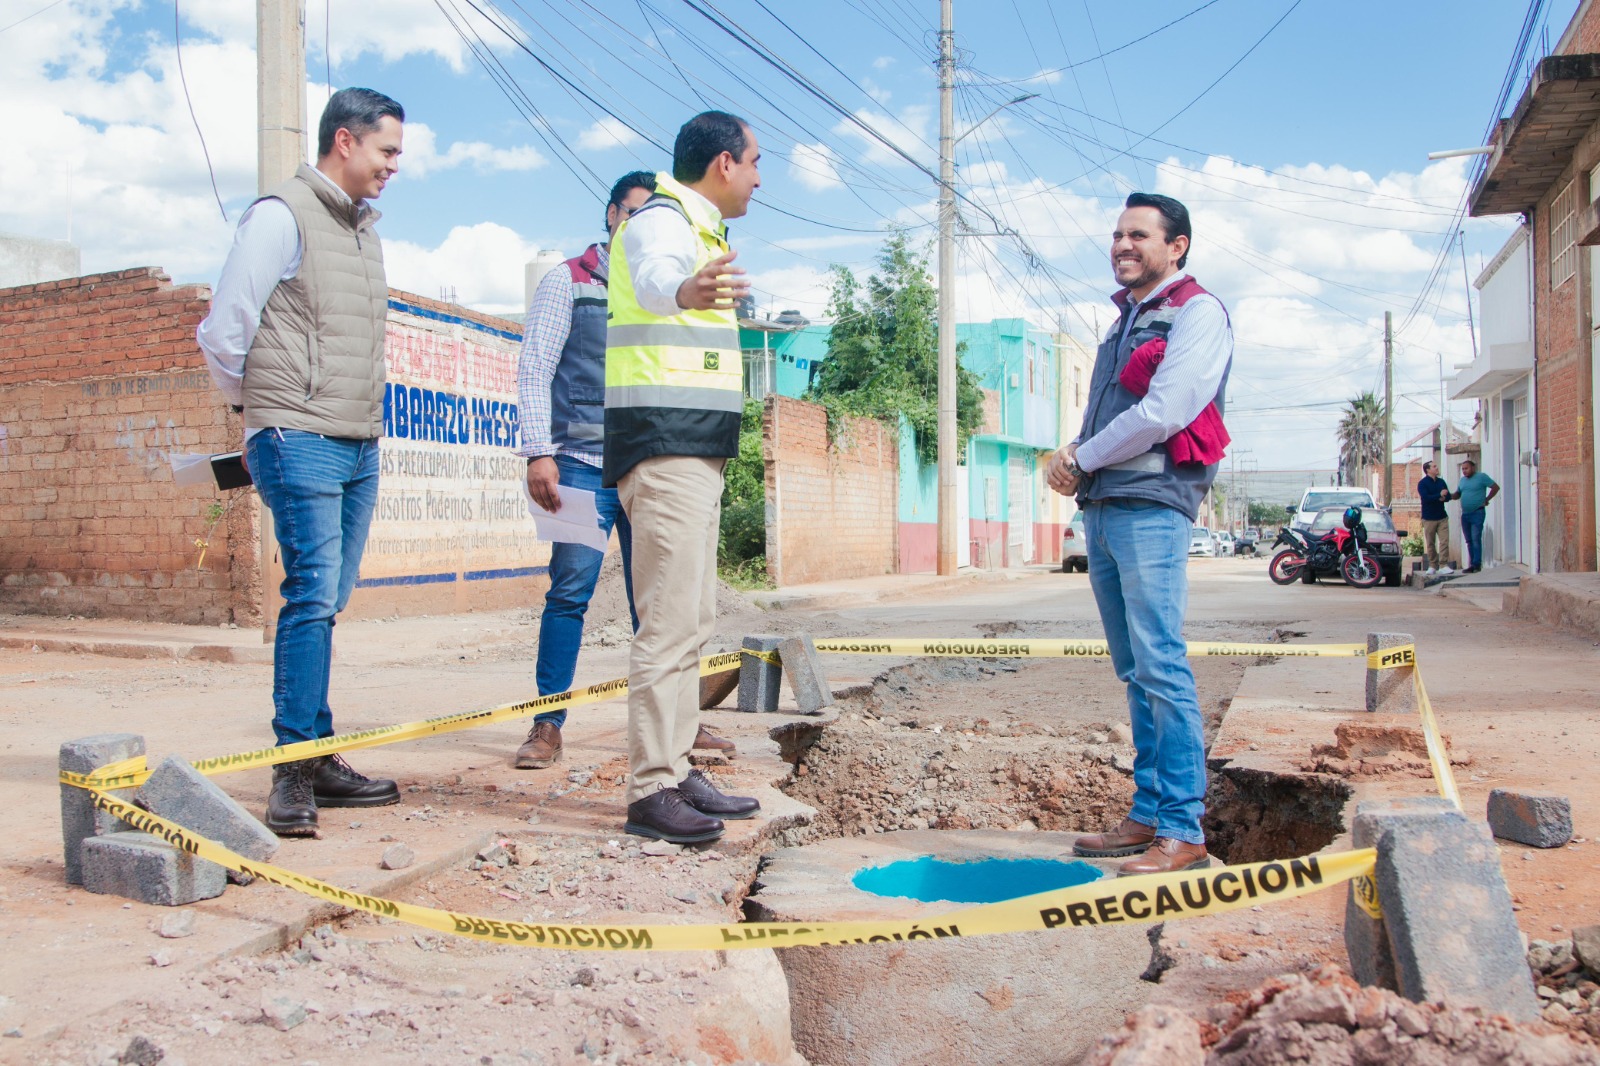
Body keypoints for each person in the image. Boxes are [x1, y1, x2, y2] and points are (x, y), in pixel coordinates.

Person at [197, 88, 406, 837]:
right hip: (297, 433)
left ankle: (317, 753)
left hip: (356, 438)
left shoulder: (363, 233)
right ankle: (292, 770)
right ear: (344, 142)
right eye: (386, 151)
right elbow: (225, 330)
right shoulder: (280, 215)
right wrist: (258, 411)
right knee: (313, 591)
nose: (393, 167)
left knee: (330, 594)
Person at [511, 171, 735, 769]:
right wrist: (539, 451)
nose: (644, 228)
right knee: (570, 594)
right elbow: (535, 368)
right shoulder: (569, 281)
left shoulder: (667, 281)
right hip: (581, 467)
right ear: (612, 217)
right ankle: (547, 724)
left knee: (661, 601)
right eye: (634, 216)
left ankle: (676, 729)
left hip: (646, 456)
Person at [1045, 192, 1233, 876]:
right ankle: (1149, 813)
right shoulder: (1128, 321)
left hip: (1153, 504)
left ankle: (1183, 829)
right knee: (1134, 669)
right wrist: (1075, 454)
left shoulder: (1197, 312)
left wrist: (1082, 457)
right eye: (1117, 234)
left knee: (1161, 663)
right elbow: (1112, 417)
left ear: (1176, 245)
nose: (1122, 244)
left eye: (1139, 235)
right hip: (1108, 504)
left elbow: (1167, 409)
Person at [604, 111, 763, 844]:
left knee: (693, 619)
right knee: (666, 624)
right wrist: (687, 292)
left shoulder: (703, 233)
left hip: (696, 447)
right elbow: (657, 276)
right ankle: (650, 790)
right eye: (755, 163)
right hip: (663, 446)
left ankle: (676, 763)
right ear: (724, 163)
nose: (759, 179)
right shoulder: (662, 224)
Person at [1453, 458, 1499, 573]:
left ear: (1473, 468)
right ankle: (1472, 564)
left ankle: (1476, 564)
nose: (1464, 471)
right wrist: (1449, 496)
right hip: (1465, 514)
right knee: (1469, 540)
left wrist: (1487, 499)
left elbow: (1495, 487)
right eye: (1463, 469)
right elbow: (1458, 494)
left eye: (1466, 468)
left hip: (1477, 512)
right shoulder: (1462, 480)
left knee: (1475, 538)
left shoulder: (1481, 477)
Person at [1416, 460, 1452, 575]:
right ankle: (1432, 565)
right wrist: (1439, 495)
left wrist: (1444, 497)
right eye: (1434, 466)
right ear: (1428, 470)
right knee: (1430, 542)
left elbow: (1448, 496)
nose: (1437, 468)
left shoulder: (1441, 482)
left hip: (1442, 517)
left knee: (1444, 541)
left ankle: (1443, 565)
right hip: (1429, 518)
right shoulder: (1422, 483)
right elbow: (1426, 498)